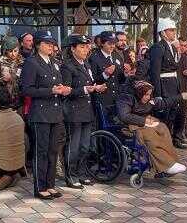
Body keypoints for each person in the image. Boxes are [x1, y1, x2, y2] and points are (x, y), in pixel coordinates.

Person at [20, 30, 71, 199]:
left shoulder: (54, 62)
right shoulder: (31, 62)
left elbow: (56, 83)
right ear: (38, 45)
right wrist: (50, 91)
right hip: (40, 114)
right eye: (48, 44)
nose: (51, 47)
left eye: (52, 44)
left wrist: (63, 89)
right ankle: (40, 186)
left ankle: (50, 184)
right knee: (40, 151)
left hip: (55, 113)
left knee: (53, 151)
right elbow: (26, 89)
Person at [118, 81, 187, 176]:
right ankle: (165, 165)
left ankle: (171, 161)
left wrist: (180, 97)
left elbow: (164, 103)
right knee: (150, 135)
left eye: (149, 94)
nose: (148, 97)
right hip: (130, 125)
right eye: (146, 94)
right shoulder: (126, 98)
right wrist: (144, 121)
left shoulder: (149, 100)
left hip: (144, 122)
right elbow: (124, 116)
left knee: (162, 128)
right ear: (139, 93)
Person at [61, 34, 103, 189]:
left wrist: (95, 88)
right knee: (74, 146)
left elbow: (89, 84)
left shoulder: (86, 64)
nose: (86, 50)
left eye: (87, 46)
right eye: (82, 47)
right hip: (74, 112)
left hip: (87, 111)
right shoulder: (67, 66)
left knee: (85, 146)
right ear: (73, 49)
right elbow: (66, 90)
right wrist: (86, 89)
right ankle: (71, 176)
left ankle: (82, 173)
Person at [148, 18, 187, 149]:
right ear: (163, 32)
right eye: (171, 30)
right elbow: (155, 72)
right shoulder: (157, 47)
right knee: (164, 118)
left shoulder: (170, 47)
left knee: (171, 116)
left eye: (174, 30)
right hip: (164, 87)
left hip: (172, 86)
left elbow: (174, 66)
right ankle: (160, 145)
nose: (174, 32)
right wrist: (157, 93)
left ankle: (168, 142)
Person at [89, 31, 126, 117]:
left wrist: (126, 74)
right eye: (109, 43)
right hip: (103, 99)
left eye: (114, 43)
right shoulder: (94, 58)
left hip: (116, 98)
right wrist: (105, 74)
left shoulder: (117, 56)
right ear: (102, 43)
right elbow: (91, 80)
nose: (112, 46)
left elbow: (120, 79)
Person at [177, 37, 187, 144]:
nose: (183, 48)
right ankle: (177, 136)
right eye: (181, 45)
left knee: (186, 113)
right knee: (178, 114)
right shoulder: (175, 57)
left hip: (186, 89)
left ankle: (182, 134)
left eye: (185, 46)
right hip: (175, 90)